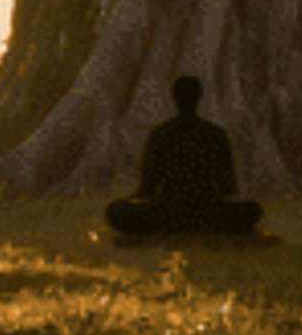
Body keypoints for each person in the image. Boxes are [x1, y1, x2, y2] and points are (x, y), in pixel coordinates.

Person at [106, 75, 264, 236]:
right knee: (252, 210)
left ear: (175, 98)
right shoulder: (216, 134)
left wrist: (134, 199)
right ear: (199, 97)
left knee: (116, 210)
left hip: (168, 210)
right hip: (206, 210)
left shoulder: (161, 134)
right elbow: (227, 187)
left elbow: (147, 188)